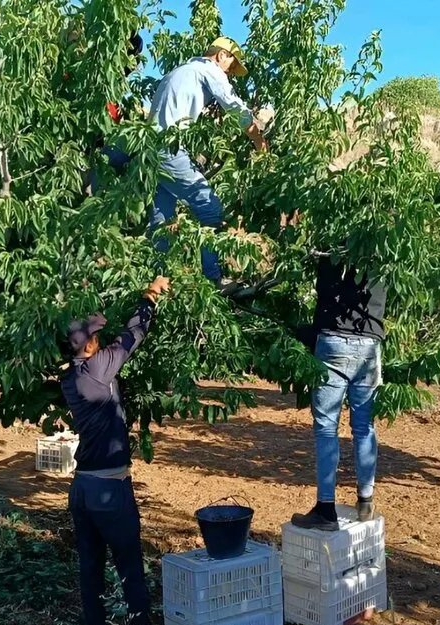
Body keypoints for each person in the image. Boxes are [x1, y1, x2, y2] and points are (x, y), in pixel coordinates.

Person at [61, 275, 170, 625]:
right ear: (89, 345)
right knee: (130, 570)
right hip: (109, 490)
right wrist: (150, 294)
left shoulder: (70, 378)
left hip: (82, 489)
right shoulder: (99, 368)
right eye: (96, 336)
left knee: (90, 570)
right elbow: (133, 335)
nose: (102, 339)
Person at [146, 37, 268, 292]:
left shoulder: (181, 71)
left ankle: (158, 285)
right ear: (221, 55)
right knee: (210, 207)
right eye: (231, 66)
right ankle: (213, 280)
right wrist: (260, 143)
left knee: (161, 221)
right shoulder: (209, 70)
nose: (230, 73)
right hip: (169, 148)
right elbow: (236, 108)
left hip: (148, 149)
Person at [291, 252, 386, 531]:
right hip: (369, 345)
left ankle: (325, 509)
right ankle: (365, 501)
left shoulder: (331, 248)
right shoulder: (384, 251)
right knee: (364, 427)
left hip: (333, 341)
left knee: (326, 429)